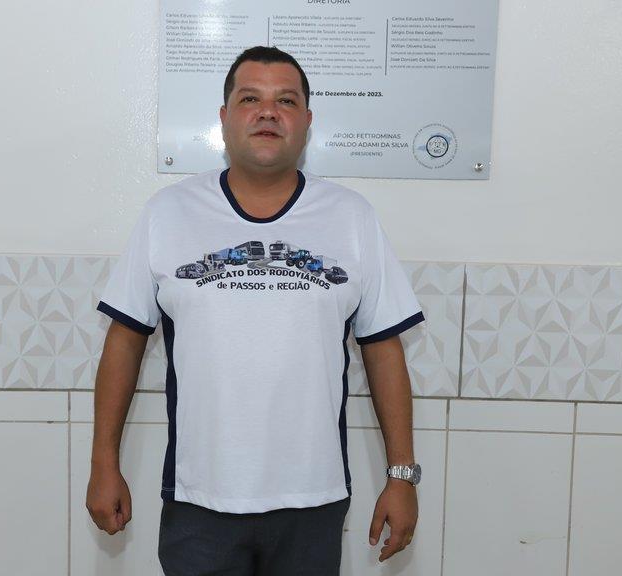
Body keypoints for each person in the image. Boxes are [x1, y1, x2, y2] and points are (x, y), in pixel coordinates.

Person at [85, 45, 426, 575]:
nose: (268, 112)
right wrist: (104, 464)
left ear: (307, 121)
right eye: (250, 99)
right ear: (224, 118)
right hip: (199, 499)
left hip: (312, 499)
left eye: (286, 101)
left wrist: (401, 476)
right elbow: (124, 342)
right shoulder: (168, 213)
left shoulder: (351, 218)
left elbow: (383, 349)